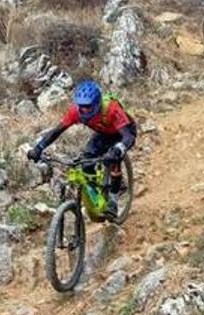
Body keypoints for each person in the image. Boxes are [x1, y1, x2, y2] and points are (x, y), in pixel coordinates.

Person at [26, 80, 137, 219]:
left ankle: (114, 199)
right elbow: (56, 131)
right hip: (103, 133)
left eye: (88, 107)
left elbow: (128, 137)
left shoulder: (112, 109)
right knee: (86, 162)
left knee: (113, 160)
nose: (84, 110)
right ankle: (97, 197)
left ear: (97, 103)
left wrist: (118, 150)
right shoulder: (76, 111)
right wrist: (38, 148)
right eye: (81, 106)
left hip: (123, 132)